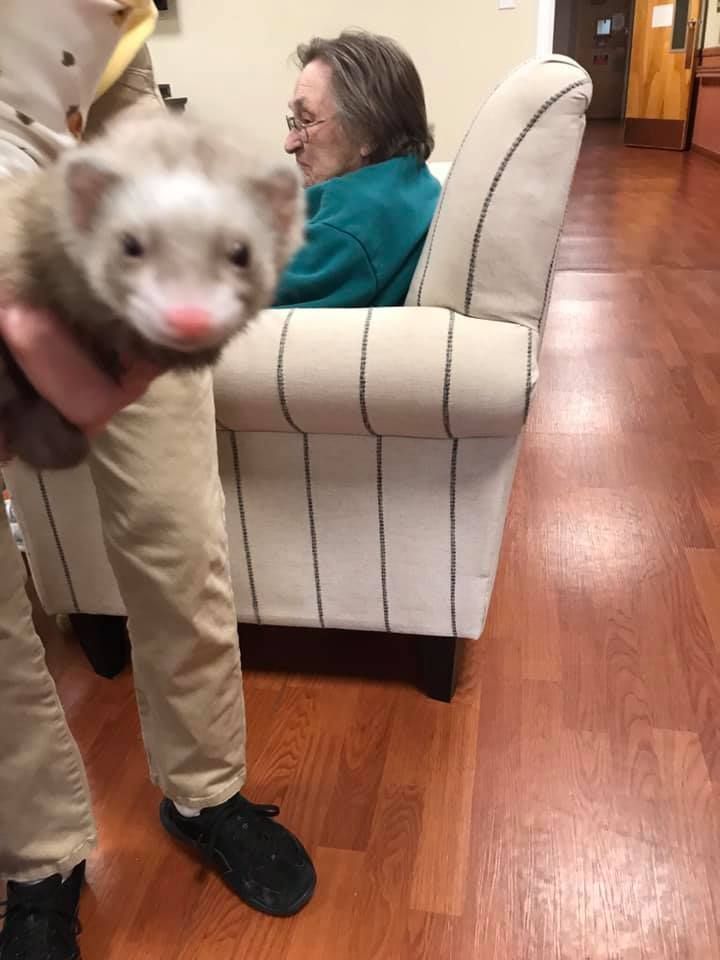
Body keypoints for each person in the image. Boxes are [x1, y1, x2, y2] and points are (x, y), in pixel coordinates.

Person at [0, 17, 439, 960]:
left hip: (114, 150)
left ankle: (205, 794)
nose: (291, 136)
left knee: (179, 533)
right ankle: (38, 859)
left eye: (304, 120)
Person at [275, 30, 441, 308]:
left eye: (307, 120)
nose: (290, 143)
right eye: (295, 121)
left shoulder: (349, 228)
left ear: (370, 133)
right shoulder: (413, 182)